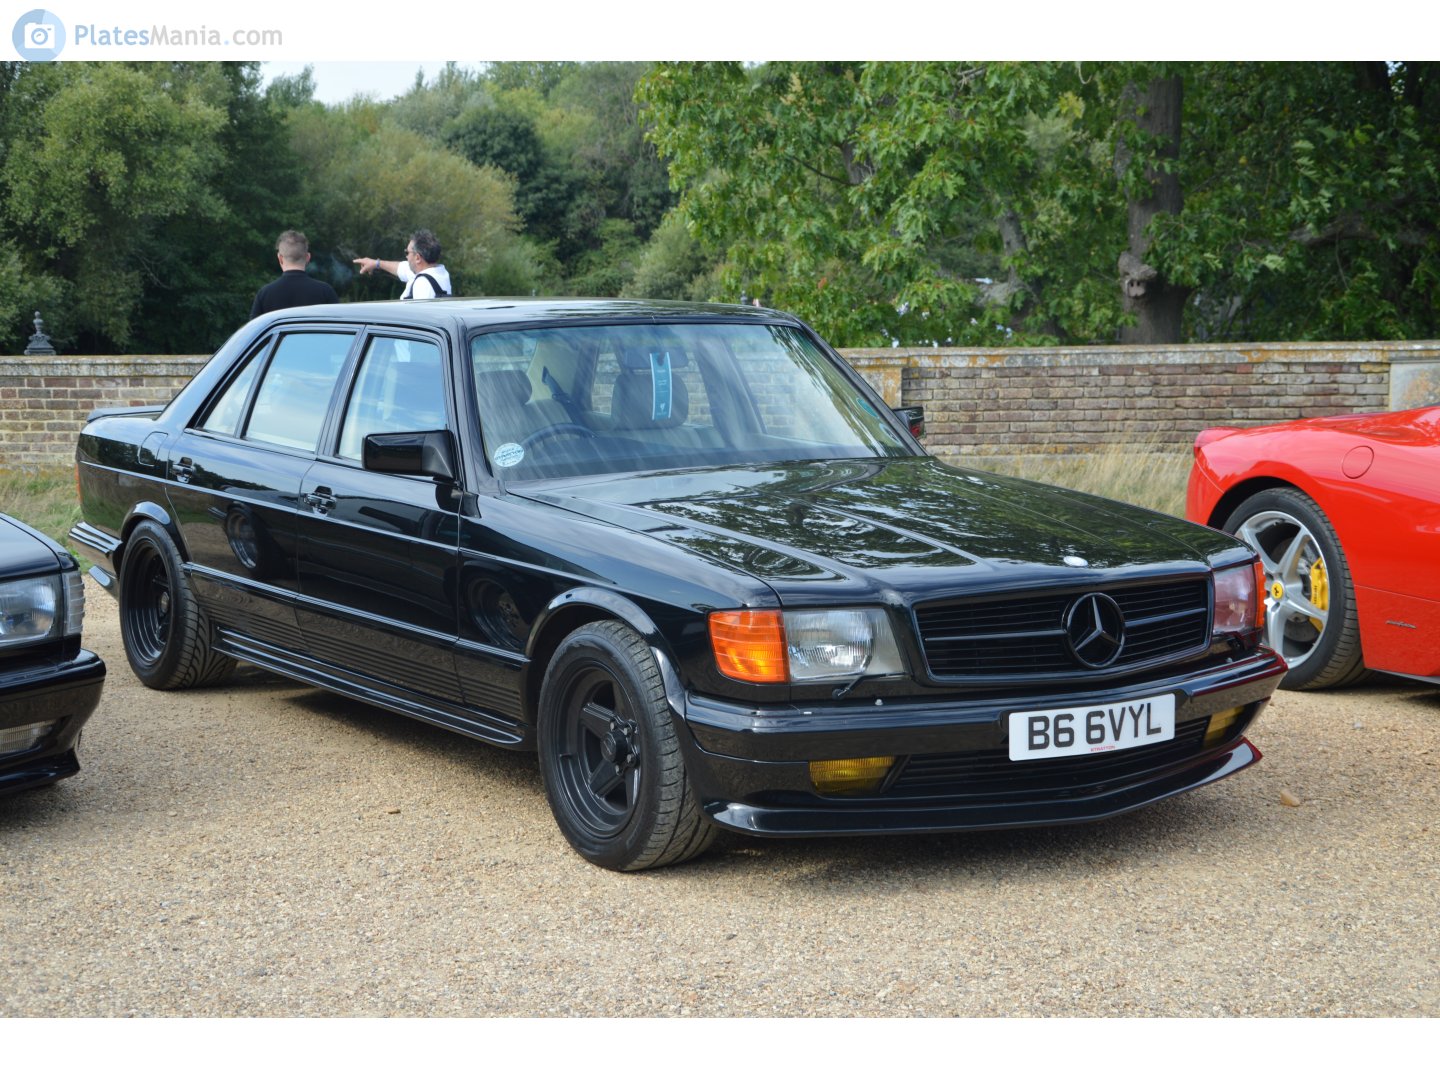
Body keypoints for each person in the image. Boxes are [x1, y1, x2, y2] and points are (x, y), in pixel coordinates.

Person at [250, 230, 340, 318]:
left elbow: (253, 330)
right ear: (308, 257)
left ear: (280, 258)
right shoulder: (326, 292)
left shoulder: (264, 294)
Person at [354, 230, 451, 298]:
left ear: (417, 258)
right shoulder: (438, 274)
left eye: (407, 252)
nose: (406, 257)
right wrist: (376, 263)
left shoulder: (423, 284)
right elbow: (401, 268)